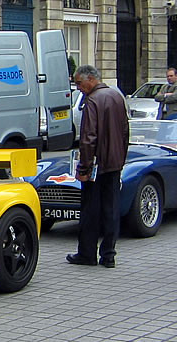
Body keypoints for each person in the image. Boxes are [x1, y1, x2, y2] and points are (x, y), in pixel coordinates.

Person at [66, 65, 129, 269]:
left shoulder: (93, 100)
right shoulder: (117, 96)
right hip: (113, 163)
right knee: (111, 208)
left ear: (91, 79)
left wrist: (83, 168)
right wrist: (121, 157)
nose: (78, 88)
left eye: (79, 83)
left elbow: (88, 138)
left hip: (96, 165)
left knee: (90, 209)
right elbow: (125, 131)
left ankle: (87, 253)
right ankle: (109, 254)